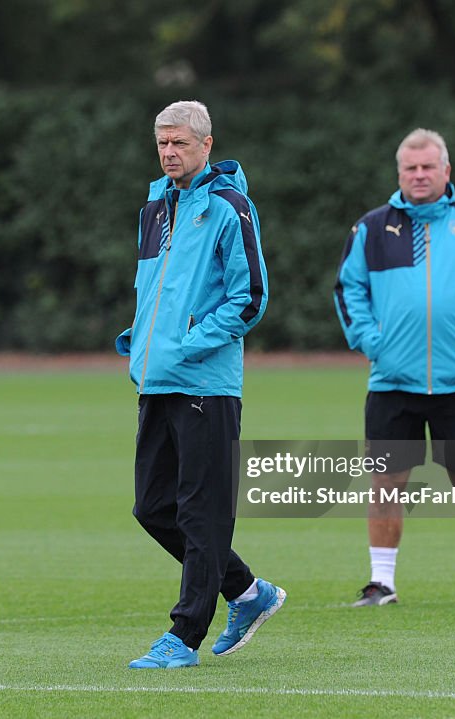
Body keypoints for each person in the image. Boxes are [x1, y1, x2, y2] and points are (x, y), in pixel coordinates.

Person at [116, 100, 285, 669]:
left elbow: (251, 298)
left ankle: (184, 636)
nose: (169, 153)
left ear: (206, 145)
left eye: (180, 143)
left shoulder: (230, 206)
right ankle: (247, 591)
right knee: (152, 506)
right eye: (162, 143)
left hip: (206, 384)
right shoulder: (153, 208)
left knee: (201, 512)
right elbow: (157, 291)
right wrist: (140, 337)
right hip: (156, 380)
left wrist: (185, 342)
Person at [334, 128, 455, 606]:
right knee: (386, 484)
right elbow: (348, 290)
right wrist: (373, 343)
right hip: (393, 381)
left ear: (446, 171)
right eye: (410, 168)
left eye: (427, 167)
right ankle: (382, 583)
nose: (419, 175)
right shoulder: (373, 228)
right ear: (399, 173)